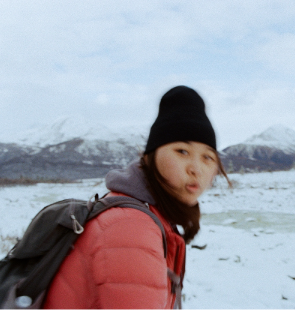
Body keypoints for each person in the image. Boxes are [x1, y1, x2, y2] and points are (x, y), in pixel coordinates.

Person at [42, 86, 228, 310]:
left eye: (208, 157)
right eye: (182, 151)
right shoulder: (131, 229)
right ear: (149, 157)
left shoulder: (140, 213)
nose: (196, 168)